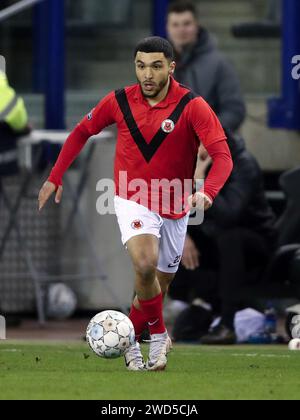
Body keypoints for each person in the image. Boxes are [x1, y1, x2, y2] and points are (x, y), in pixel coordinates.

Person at [38, 37, 233, 370]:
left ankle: (130, 339)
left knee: (155, 284)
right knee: (144, 265)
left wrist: (208, 191)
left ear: (171, 67)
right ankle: (158, 337)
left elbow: (223, 156)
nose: (147, 74)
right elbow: (81, 132)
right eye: (141, 65)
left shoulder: (192, 105)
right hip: (132, 196)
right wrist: (55, 176)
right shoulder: (119, 101)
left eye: (156, 66)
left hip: (175, 203)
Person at [170, 133, 278, 344]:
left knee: (230, 238)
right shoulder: (188, 163)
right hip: (214, 239)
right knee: (163, 235)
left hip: (255, 243)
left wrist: (200, 182)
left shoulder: (242, 163)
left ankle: (227, 323)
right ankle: (195, 304)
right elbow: (170, 206)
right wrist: (184, 235)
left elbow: (229, 215)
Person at [166, 0, 246, 133]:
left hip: (210, 147)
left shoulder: (220, 64)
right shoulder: (158, 65)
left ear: (197, 26)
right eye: (175, 25)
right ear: (167, 28)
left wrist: (207, 134)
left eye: (187, 24)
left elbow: (234, 110)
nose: (181, 30)